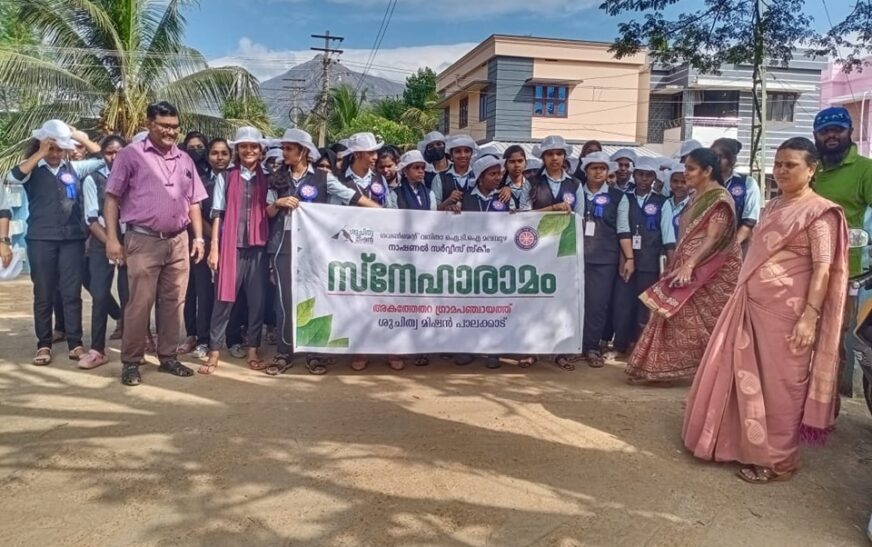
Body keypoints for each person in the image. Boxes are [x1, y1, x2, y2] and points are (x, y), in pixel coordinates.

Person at [683, 137, 848, 483]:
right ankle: (734, 445)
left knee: (780, 387)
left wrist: (810, 316)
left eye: (791, 165)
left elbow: (822, 270)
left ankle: (778, 460)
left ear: (811, 169)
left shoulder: (820, 214)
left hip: (788, 319)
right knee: (742, 379)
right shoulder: (772, 208)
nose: (782, 171)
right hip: (750, 307)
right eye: (778, 164)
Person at [104, 101, 207, 387]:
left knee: (175, 302)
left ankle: (168, 356)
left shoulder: (185, 159)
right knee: (140, 303)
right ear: (150, 124)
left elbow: (195, 202)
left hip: (178, 241)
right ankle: (131, 361)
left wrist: (198, 237)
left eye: (175, 127)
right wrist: (113, 238)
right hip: (143, 239)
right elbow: (112, 197)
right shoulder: (130, 155)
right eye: (165, 126)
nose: (171, 132)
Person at [266, 129, 380, 376]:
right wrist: (278, 203)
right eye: (283, 148)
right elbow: (266, 211)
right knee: (285, 300)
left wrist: (383, 212)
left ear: (303, 151)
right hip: (283, 244)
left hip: (314, 246)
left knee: (314, 295)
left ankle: (314, 352)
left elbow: (351, 197)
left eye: (289, 148)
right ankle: (284, 352)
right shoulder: (276, 178)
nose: (284, 153)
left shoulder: (322, 177)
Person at [625, 148, 742, 385]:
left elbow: (713, 238)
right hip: (688, 267)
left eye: (691, 168)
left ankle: (715, 368)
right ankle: (661, 368)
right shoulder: (696, 196)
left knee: (700, 321)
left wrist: (689, 265)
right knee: (672, 315)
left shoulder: (719, 199)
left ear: (708, 171)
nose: (685, 173)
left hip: (711, 273)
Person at [5, 120, 103, 366]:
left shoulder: (74, 169)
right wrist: (40, 152)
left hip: (72, 240)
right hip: (41, 239)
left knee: (72, 294)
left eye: (61, 149)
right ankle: (44, 344)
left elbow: (103, 158)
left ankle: (75, 343)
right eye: (53, 149)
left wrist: (78, 135)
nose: (56, 154)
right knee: (44, 294)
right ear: (43, 146)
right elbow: (13, 177)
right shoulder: (32, 171)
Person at [199, 127, 270, 375]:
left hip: (259, 248)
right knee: (223, 299)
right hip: (231, 247)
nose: (248, 150)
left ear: (261, 150)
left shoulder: (269, 176)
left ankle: (252, 348)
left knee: (257, 301)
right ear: (237, 150)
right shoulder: (226, 177)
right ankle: (215, 350)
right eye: (243, 146)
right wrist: (214, 249)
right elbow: (217, 214)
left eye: (253, 146)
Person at [573, 151, 633, 368]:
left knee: (597, 304)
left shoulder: (618, 197)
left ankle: (591, 347)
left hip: (604, 258)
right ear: (585, 171)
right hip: (575, 257)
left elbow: (623, 229)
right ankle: (573, 345)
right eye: (593, 168)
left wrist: (629, 257)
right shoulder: (577, 191)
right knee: (574, 303)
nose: (598, 172)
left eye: (602, 168)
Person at [611, 157, 675, 357]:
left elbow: (667, 233)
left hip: (650, 260)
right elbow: (621, 229)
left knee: (645, 305)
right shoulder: (624, 198)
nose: (644, 179)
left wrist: (670, 262)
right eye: (640, 174)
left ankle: (639, 346)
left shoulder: (662, 202)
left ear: (654, 178)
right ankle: (620, 343)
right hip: (627, 260)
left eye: (649, 176)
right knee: (623, 303)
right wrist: (625, 257)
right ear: (634, 175)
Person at [77, 135, 129, 369]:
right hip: (102, 241)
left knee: (132, 295)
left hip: (131, 242)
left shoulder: (135, 177)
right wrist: (111, 242)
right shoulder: (92, 178)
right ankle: (97, 349)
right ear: (102, 154)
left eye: (119, 152)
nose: (114, 157)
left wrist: (124, 243)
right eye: (109, 152)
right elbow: (91, 218)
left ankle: (135, 343)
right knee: (99, 295)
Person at [812, 106, 872, 276]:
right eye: (824, 131)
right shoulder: (807, 167)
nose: (831, 135)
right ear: (815, 135)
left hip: (847, 266)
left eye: (838, 129)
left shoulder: (866, 169)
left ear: (850, 131)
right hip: (804, 264)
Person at [178, 131, 212, 356]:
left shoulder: (214, 176)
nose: (196, 151)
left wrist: (210, 234)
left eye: (200, 146)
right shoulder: (181, 173)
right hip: (184, 238)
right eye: (191, 147)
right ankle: (190, 334)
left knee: (205, 290)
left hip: (210, 240)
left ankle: (204, 337)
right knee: (187, 291)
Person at [711, 137, 761, 250]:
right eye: (714, 155)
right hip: (706, 249)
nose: (717, 160)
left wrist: (730, 248)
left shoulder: (747, 183)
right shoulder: (705, 181)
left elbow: (750, 221)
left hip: (737, 248)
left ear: (732, 160)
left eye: (721, 156)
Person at [529, 135, 580, 212]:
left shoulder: (575, 184)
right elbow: (524, 215)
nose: (555, 158)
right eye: (550, 154)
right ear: (543, 157)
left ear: (564, 157)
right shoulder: (531, 182)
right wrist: (553, 208)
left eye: (559, 154)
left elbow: (579, 217)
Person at [340, 132, 389, 207]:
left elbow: (389, 208)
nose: (375, 157)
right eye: (370, 153)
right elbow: (334, 212)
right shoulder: (340, 181)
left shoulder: (380, 179)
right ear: (357, 154)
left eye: (375, 152)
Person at [432, 134, 478, 212]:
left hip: (473, 222)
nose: (463, 155)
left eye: (467, 151)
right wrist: (448, 202)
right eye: (458, 151)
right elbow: (433, 210)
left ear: (472, 154)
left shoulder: (479, 176)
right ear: (451, 155)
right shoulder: (439, 178)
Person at [663, 164, 690, 248]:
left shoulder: (693, 205)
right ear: (670, 183)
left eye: (683, 182)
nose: (679, 185)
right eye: (675, 181)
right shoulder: (663, 203)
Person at [501, 145, 532, 211]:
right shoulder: (499, 186)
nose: (517, 165)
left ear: (526, 163)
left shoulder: (533, 185)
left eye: (520, 161)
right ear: (505, 164)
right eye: (512, 162)